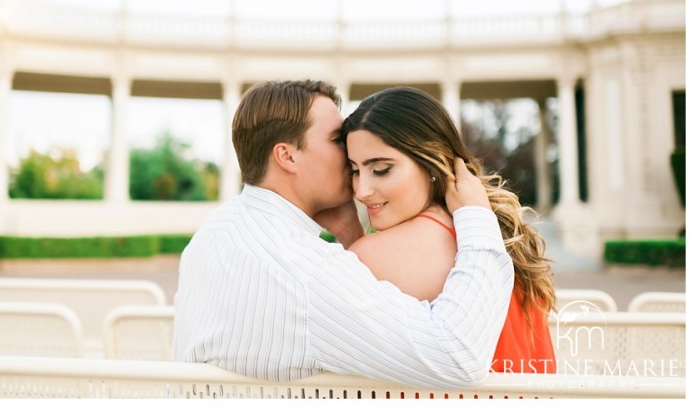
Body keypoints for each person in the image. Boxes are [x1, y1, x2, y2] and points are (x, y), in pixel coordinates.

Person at [173, 79, 514, 388]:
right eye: (337, 140)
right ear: (287, 156)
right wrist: (476, 218)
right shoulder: (306, 273)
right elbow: (455, 356)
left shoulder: (212, 233)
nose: (349, 151)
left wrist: (351, 231)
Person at [341, 86, 556, 374]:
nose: (361, 191)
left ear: (431, 163)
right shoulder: (498, 231)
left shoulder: (370, 257)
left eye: (381, 169)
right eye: (355, 170)